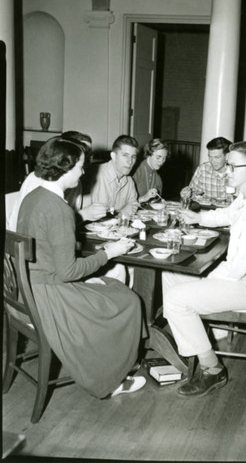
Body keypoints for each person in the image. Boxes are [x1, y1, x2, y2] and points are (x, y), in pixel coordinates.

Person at [16, 138, 146, 398]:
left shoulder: (34, 196)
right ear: (66, 167)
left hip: (29, 288)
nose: (84, 171)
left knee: (111, 286)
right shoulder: (59, 209)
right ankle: (111, 378)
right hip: (50, 296)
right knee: (128, 300)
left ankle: (118, 359)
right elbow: (69, 272)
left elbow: (53, 260)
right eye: (81, 166)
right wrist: (109, 252)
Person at [162, 141, 246, 397]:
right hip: (240, 276)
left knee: (176, 296)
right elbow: (228, 214)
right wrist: (198, 218)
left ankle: (213, 369)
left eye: (231, 165)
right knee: (171, 271)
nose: (226, 170)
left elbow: (238, 269)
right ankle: (185, 341)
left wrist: (201, 277)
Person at [8, 132, 108, 231]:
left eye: (88, 153)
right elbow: (33, 225)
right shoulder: (37, 179)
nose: (86, 158)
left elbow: (66, 224)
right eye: (81, 151)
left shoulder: (76, 183)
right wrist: (84, 215)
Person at [90, 135, 140, 217]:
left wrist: (124, 213)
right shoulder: (95, 175)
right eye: (125, 155)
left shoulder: (129, 181)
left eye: (133, 157)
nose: (130, 161)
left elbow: (133, 204)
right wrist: (121, 213)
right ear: (113, 156)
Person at [187, 136, 232, 201]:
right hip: (206, 210)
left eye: (217, 157)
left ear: (227, 156)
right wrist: (188, 193)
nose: (212, 161)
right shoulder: (203, 169)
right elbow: (192, 193)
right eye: (210, 157)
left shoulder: (235, 172)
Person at [133, 138, 169, 203]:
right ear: (149, 153)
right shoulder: (135, 171)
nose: (161, 161)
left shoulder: (158, 179)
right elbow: (124, 202)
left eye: (164, 158)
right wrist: (144, 198)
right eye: (158, 157)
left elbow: (157, 202)